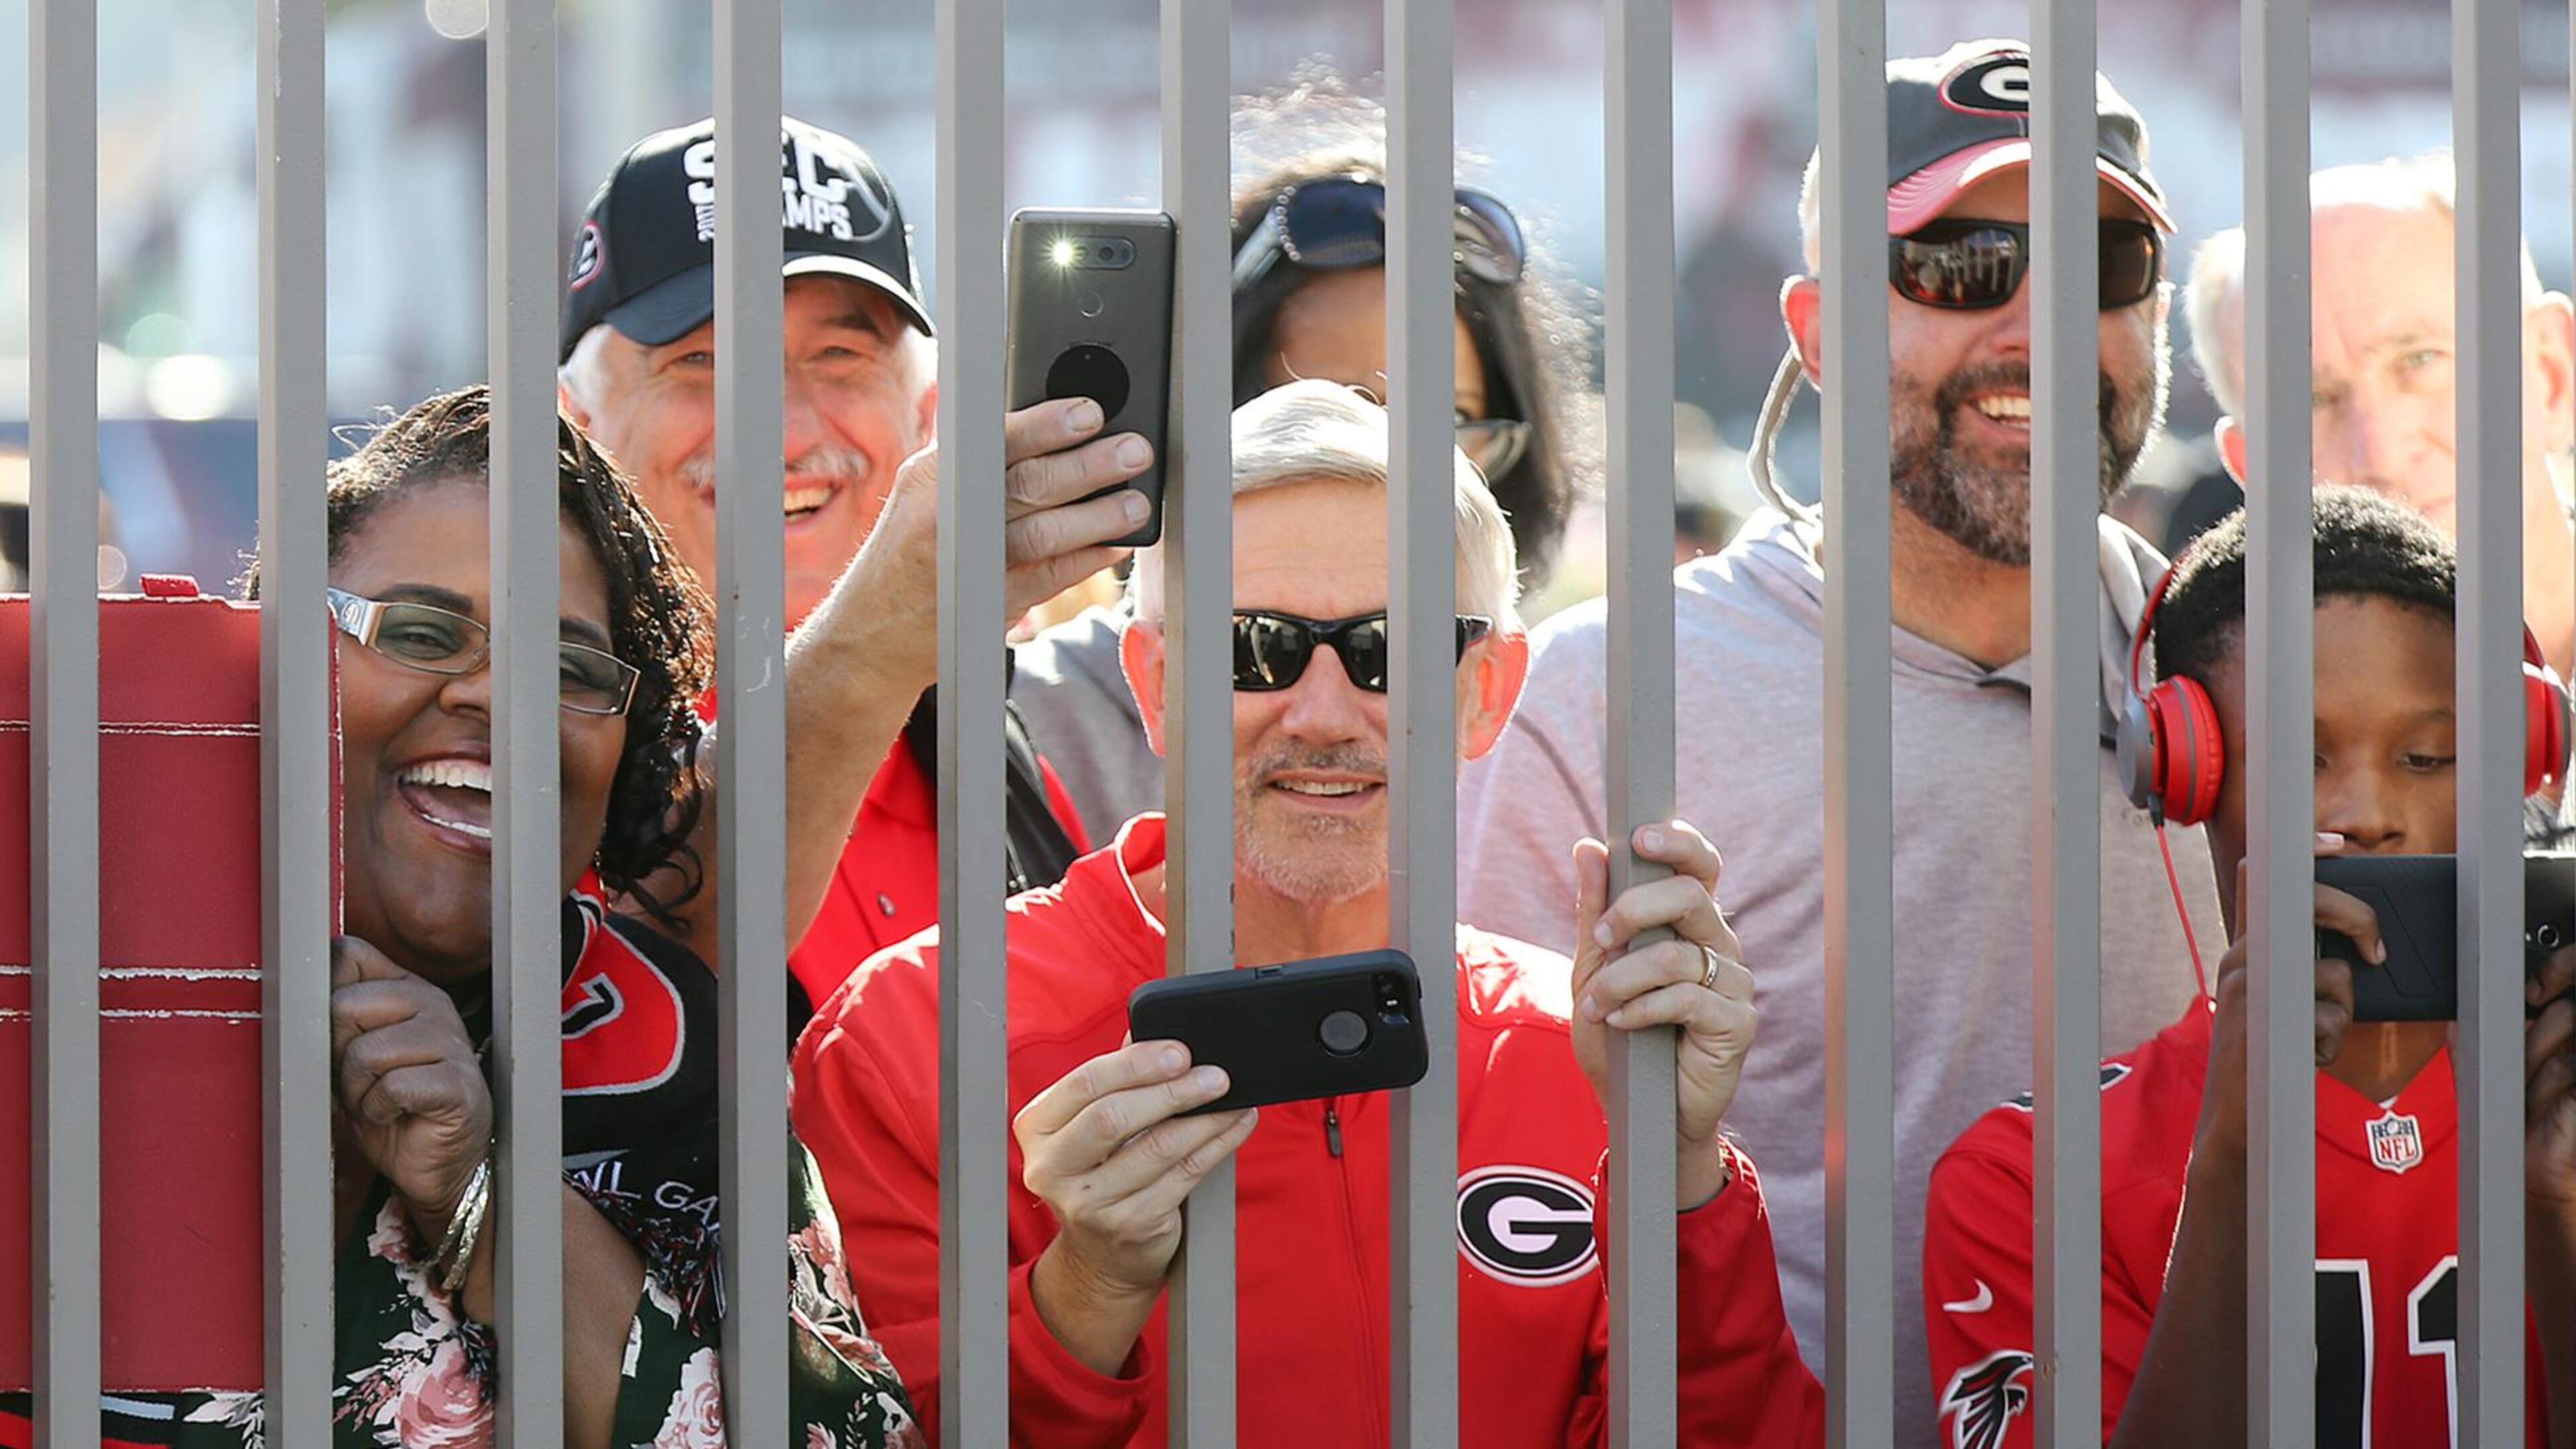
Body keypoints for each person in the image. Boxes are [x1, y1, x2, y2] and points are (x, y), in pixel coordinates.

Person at [792, 381, 1825, 1446]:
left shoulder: (1585, 1048)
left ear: (1488, 690)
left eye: (1391, 648)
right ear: (1152, 682)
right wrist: (1083, 1295)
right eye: (1254, 647)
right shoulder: (916, 1036)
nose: (1325, 713)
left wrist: (1680, 1172)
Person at [1454, 40, 2221, 1439]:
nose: (2039, 327)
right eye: (1961, 266)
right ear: (1813, 333)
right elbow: (1492, 1216)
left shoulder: (2264, 682)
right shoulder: (1604, 701)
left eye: (2102, 263)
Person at [30, 388, 920, 1447]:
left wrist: (481, 1202)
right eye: (420, 631)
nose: (498, 698)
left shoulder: (673, 1054)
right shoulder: (55, 976)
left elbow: (847, 1437)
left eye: (568, 667)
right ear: (265, 660)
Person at [1922, 485, 2575, 1446]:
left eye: (2428, 756)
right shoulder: (2027, 1180)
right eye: (2297, 759)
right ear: (2185, 772)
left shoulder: (2557, 1100)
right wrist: (2231, 1160)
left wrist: (2555, 1216)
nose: (2364, 811)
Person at [557, 115, 1146, 1022]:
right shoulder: (545, 749)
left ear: (928, 414)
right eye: (700, 362)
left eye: (839, 356)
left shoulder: (1012, 729)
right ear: (578, 425)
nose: (785, 430)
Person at [1010, 78, 1596, 839]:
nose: (1382, 461)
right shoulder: (1041, 722)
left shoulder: (1569, 717)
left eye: (1444, 418)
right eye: (1330, 403)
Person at [2182, 152, 2576, 675]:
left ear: (2550, 373)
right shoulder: (2241, 728)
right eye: (2313, 401)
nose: (2381, 452)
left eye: (2420, 360)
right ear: (2251, 471)